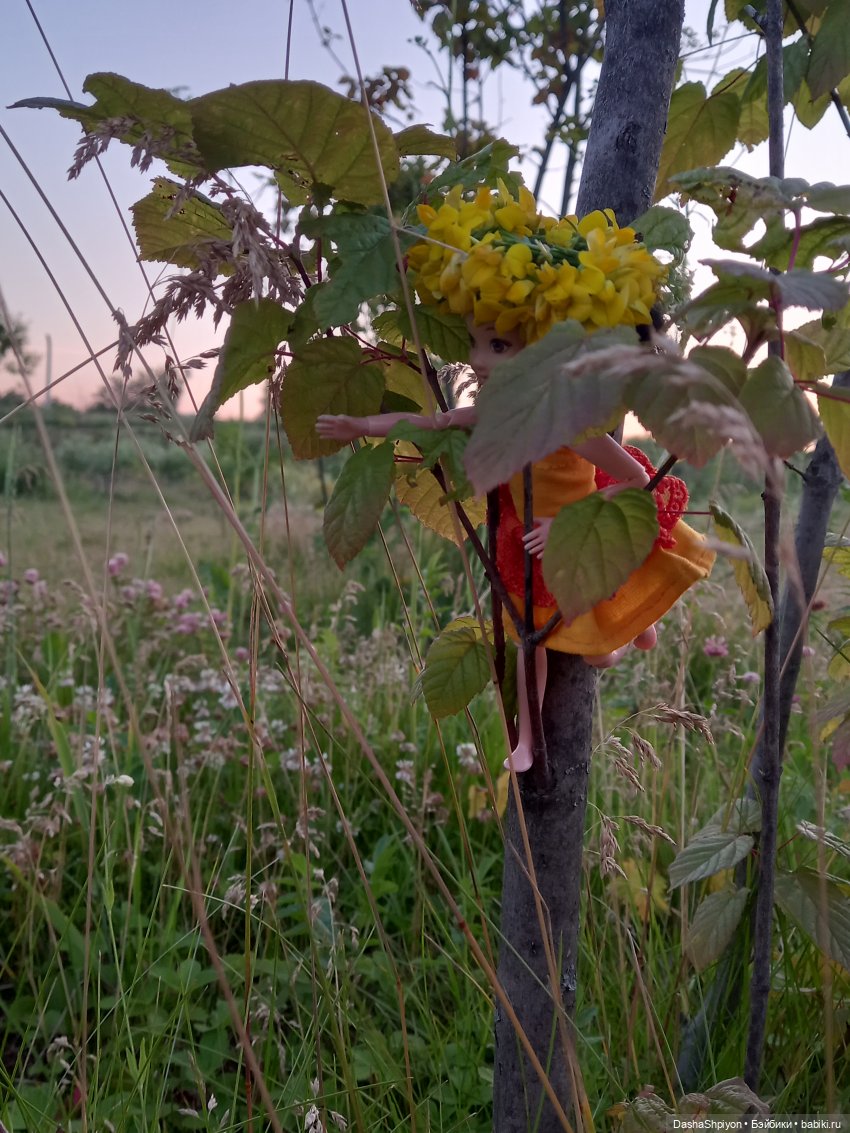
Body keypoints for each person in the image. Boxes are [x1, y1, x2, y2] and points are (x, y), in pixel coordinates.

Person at [316, 182, 714, 771]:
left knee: (589, 647)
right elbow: (432, 421)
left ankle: (635, 633)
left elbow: (636, 482)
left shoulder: (571, 424)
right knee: (531, 644)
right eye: (477, 342)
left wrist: (566, 525)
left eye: (499, 345)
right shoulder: (500, 410)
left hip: (567, 533)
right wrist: (359, 424)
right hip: (520, 545)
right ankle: (529, 737)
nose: (479, 360)